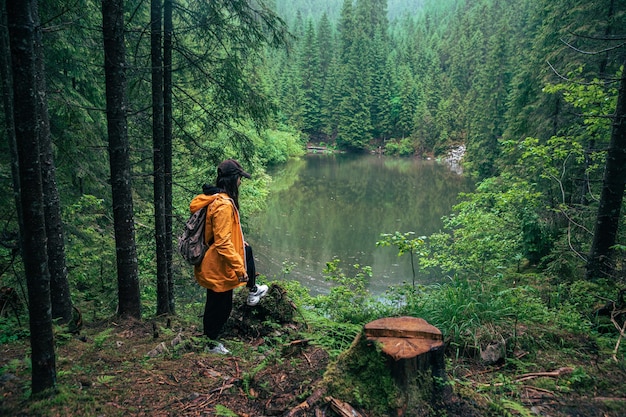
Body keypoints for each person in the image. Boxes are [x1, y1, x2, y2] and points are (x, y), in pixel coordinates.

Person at [189, 159, 268, 354]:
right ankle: (210, 344)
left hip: (216, 260)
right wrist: (239, 269)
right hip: (218, 264)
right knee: (220, 307)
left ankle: (253, 291)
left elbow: (220, 233)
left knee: (246, 251)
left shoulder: (216, 198)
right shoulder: (223, 205)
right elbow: (223, 243)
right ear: (234, 179)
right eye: (240, 178)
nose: (241, 182)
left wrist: (240, 243)